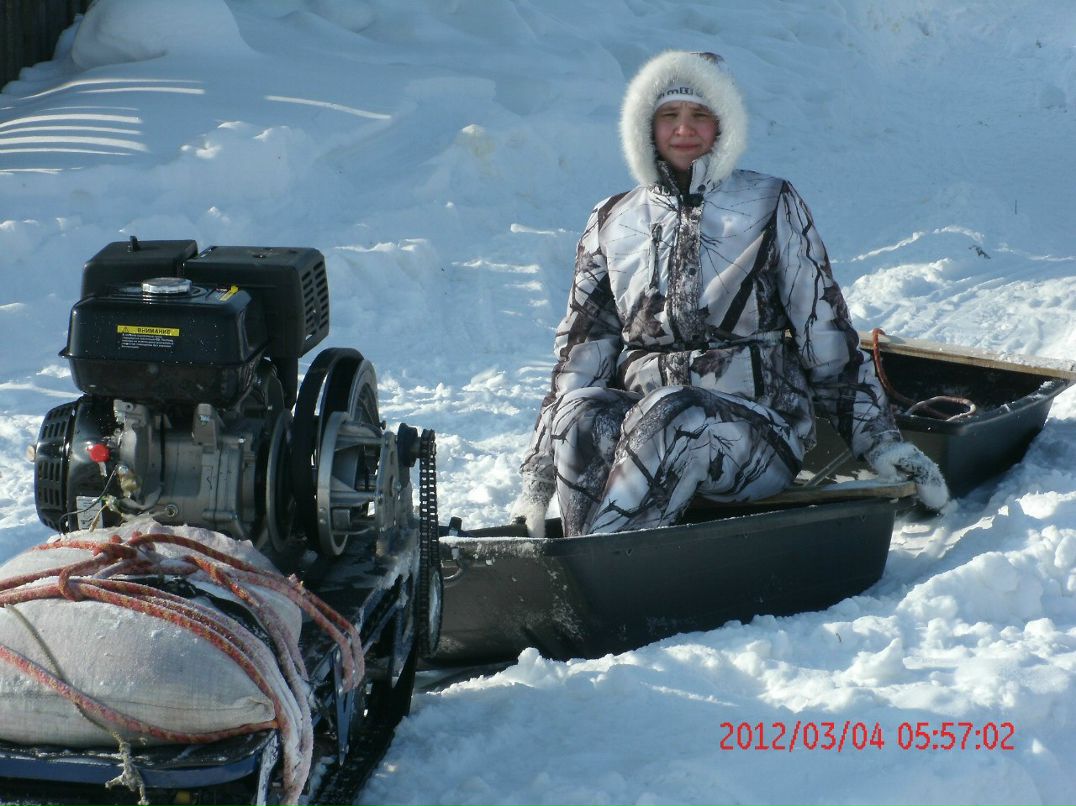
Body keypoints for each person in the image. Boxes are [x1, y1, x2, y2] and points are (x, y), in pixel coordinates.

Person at [512, 50, 948, 539]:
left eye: (701, 115)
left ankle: (603, 567)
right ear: (644, 126)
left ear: (725, 125)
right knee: (581, 411)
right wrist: (539, 475)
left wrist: (883, 443)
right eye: (669, 116)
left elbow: (826, 340)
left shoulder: (769, 203)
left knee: (681, 413)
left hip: (755, 438)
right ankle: (579, 562)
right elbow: (580, 358)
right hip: (641, 438)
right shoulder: (612, 220)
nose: (684, 129)